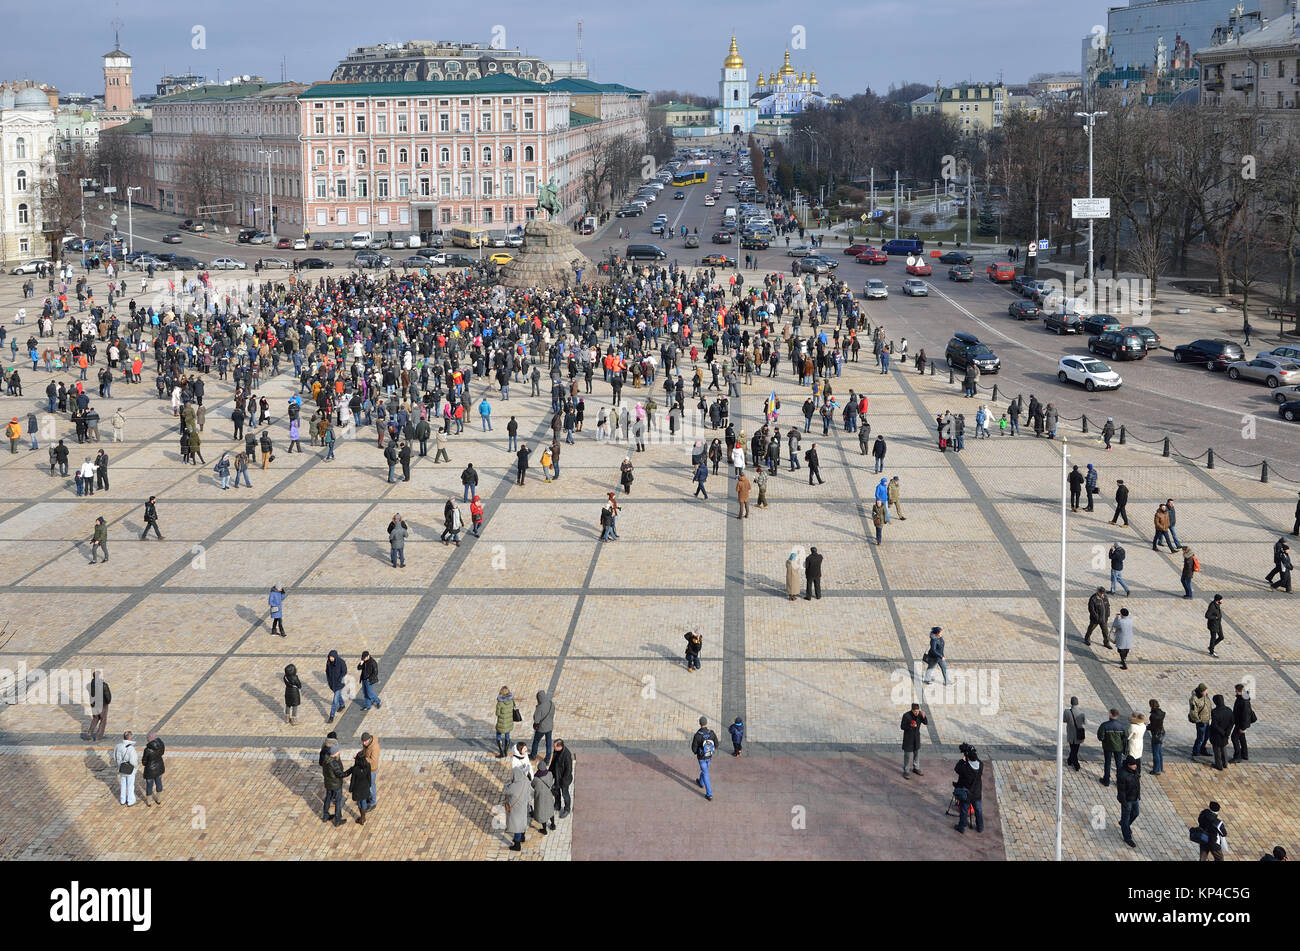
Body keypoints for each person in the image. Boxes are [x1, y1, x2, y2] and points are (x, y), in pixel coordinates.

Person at [952, 744, 983, 834]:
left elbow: (957, 769)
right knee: (978, 809)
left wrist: (963, 760)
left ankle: (961, 827)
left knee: (964, 809)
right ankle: (980, 827)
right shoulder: (981, 765)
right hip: (977, 793)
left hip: (967, 793)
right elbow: (977, 760)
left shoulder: (965, 768)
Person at [502, 763, 531, 851]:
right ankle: (522, 837)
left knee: (516, 825)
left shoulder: (513, 786)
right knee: (522, 822)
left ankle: (517, 845)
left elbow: (505, 790)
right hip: (524, 805)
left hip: (516, 809)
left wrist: (508, 782)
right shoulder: (526, 780)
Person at [342, 745, 372, 825]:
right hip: (365, 787)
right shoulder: (368, 766)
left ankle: (362, 818)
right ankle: (363, 817)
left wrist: (351, 789)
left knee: (359, 803)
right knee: (364, 802)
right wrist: (369, 785)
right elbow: (369, 777)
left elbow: (353, 780)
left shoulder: (355, 769)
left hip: (358, 790)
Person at [691, 715, 719, 801]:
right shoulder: (711, 733)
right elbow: (717, 745)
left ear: (700, 724)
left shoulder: (697, 735)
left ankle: (709, 794)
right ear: (706, 723)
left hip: (701, 757)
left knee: (705, 772)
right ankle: (701, 782)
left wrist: (698, 752)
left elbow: (694, 749)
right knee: (705, 770)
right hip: (709, 755)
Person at [1116, 755, 1141, 848]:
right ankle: (1127, 837)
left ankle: (1124, 824)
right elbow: (1121, 791)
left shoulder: (1134, 771)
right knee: (1126, 818)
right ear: (1128, 765)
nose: (1135, 766)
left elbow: (1137, 783)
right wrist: (1124, 803)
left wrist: (1138, 795)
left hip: (1135, 798)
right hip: (1127, 800)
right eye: (1133, 765)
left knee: (1136, 813)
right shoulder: (1122, 774)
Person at [1097, 708, 1125, 786]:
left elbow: (1100, 737)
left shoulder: (1104, 725)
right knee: (1119, 764)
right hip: (1118, 748)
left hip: (1107, 747)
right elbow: (1124, 737)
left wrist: (1105, 740)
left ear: (1110, 715)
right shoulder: (1121, 726)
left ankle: (1106, 780)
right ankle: (1119, 781)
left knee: (1107, 763)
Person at [321, 742, 346, 826]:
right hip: (336, 785)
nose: (339, 752)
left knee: (328, 798)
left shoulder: (325, 759)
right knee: (338, 801)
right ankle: (337, 819)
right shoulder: (334, 763)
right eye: (338, 751)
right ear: (335, 753)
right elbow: (340, 774)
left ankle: (325, 815)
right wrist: (351, 770)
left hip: (328, 783)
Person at [112, 731, 139, 807]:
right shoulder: (131, 748)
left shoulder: (118, 746)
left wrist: (119, 765)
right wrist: (136, 767)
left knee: (123, 783)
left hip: (121, 767)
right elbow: (133, 761)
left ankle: (122, 800)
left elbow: (115, 757)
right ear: (130, 738)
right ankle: (130, 801)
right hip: (130, 769)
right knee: (130, 785)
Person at [900, 702, 927, 777]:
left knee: (917, 754)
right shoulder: (906, 716)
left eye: (918, 711)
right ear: (912, 710)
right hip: (908, 739)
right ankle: (906, 771)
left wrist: (924, 716)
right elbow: (902, 726)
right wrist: (910, 725)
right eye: (915, 711)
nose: (917, 713)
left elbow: (925, 723)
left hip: (916, 738)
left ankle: (916, 768)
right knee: (907, 756)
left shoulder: (920, 715)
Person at [1209, 693, 1233, 771]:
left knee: (1217, 751)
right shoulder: (1229, 710)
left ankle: (1219, 765)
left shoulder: (1214, 712)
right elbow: (1231, 722)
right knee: (1223, 748)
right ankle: (1225, 763)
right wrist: (1227, 732)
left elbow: (1215, 725)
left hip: (1217, 734)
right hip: (1225, 734)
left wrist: (1222, 732)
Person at [1231, 683, 1254, 763]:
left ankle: (1237, 756)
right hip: (1239, 723)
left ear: (1239, 691)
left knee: (1234, 738)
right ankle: (1244, 754)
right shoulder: (1242, 698)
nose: (1235, 692)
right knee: (1241, 737)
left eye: (1236, 691)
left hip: (1240, 724)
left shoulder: (1243, 701)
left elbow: (1245, 715)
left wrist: (1242, 727)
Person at [550, 738, 574, 818]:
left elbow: (569, 769)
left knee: (565, 794)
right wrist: (550, 772)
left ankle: (567, 809)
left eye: (555, 746)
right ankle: (557, 805)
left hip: (564, 779)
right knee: (556, 791)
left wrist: (563, 781)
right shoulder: (556, 751)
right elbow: (553, 762)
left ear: (560, 747)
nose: (553, 748)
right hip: (557, 775)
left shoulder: (566, 755)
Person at [140, 732, 166, 807]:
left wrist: (146, 763)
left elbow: (144, 761)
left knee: (149, 785)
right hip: (159, 767)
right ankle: (159, 799)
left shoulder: (147, 750)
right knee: (159, 783)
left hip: (150, 770)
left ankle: (149, 802)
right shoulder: (161, 745)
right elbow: (162, 753)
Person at [85, 671, 110, 741]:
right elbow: (108, 696)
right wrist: (108, 702)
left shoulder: (89, 685)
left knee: (95, 718)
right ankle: (98, 736)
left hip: (94, 704)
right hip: (102, 705)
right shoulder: (104, 685)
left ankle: (89, 733)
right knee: (103, 720)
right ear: (99, 676)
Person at [532, 763, 557, 835]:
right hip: (548, 795)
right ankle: (553, 825)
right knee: (550, 810)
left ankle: (544, 830)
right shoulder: (549, 774)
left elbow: (532, 785)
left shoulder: (536, 779)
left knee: (542, 813)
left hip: (540, 798)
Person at [531, 689, 555, 762]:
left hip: (541, 728)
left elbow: (536, 720)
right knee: (548, 743)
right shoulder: (551, 703)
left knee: (536, 741)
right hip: (550, 726)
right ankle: (547, 760)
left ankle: (533, 755)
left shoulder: (539, 708)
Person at [1189, 683, 1212, 758]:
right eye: (1205, 691)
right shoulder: (1194, 699)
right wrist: (1198, 721)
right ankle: (1196, 751)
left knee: (1206, 737)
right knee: (1200, 738)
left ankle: (1202, 749)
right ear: (1201, 691)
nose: (1206, 692)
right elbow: (1193, 712)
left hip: (1207, 720)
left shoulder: (1205, 696)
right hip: (1201, 721)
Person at [494, 687, 517, 758]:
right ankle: (506, 751)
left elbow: (497, 714)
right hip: (509, 722)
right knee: (507, 735)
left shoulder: (500, 703)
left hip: (501, 723)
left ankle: (502, 753)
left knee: (498, 735)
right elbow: (514, 707)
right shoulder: (512, 700)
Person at [325, 649, 347, 723]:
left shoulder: (341, 662)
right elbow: (327, 671)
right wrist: (328, 680)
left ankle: (331, 716)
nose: (330, 658)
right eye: (330, 657)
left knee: (335, 701)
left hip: (339, 684)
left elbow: (344, 672)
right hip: (332, 683)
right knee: (338, 695)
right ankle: (342, 705)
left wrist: (340, 679)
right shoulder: (328, 662)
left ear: (335, 657)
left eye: (332, 657)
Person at [1063, 697, 1085, 770]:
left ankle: (1070, 760)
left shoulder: (1066, 711)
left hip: (1071, 734)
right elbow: (1085, 722)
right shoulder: (1081, 713)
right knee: (1075, 750)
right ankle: (1076, 765)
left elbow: (1064, 720)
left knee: (1073, 749)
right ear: (1077, 703)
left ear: (1071, 703)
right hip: (1078, 734)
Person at [1147, 699, 1166, 775]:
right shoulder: (1161, 713)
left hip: (1156, 735)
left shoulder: (1153, 716)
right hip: (1162, 732)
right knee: (1159, 752)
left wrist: (1146, 727)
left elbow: (1153, 727)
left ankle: (1156, 770)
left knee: (1155, 753)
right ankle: (1160, 767)